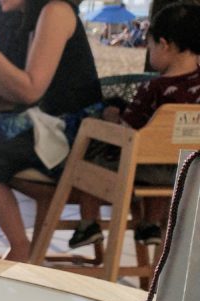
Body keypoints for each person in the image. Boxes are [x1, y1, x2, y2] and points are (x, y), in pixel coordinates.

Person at [0, 0, 102, 261]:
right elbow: (20, 93)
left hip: (76, 136)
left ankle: (20, 247)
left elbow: (30, 89)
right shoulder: (39, 16)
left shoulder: (56, 11)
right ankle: (20, 246)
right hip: (54, 125)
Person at [69, 2, 200, 249]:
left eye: (149, 46)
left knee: (93, 152)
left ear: (164, 44)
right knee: (161, 160)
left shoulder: (153, 88)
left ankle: (88, 223)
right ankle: (150, 223)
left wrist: (109, 119)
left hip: (140, 167)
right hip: (186, 170)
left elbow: (128, 130)